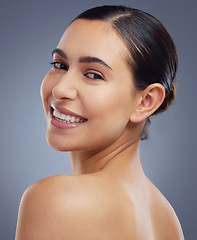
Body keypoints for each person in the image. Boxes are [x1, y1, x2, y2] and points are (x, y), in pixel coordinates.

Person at [15, 5, 184, 240]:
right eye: (60, 65)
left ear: (145, 101)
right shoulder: (168, 220)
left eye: (93, 75)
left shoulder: (56, 199)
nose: (60, 88)